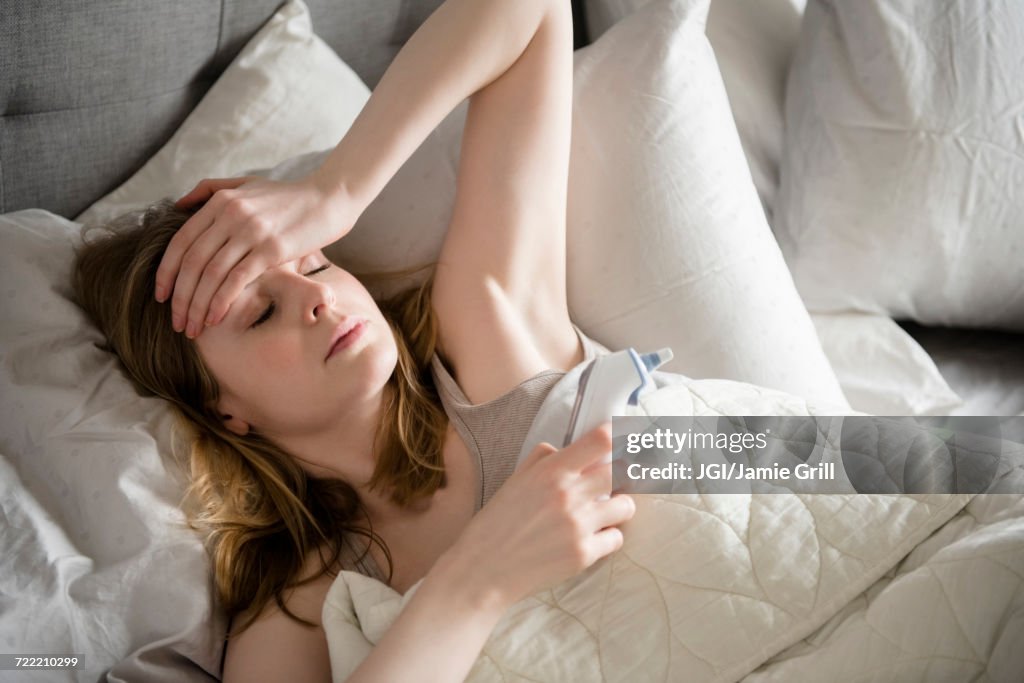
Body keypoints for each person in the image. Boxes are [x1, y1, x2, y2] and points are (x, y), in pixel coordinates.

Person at [72, 0, 636, 681]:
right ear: (223, 410)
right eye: (260, 313)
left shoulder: (487, 351)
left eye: (315, 260)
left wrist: (335, 191)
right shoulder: (301, 598)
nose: (316, 297)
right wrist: (476, 583)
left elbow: (533, 9)